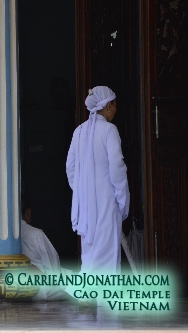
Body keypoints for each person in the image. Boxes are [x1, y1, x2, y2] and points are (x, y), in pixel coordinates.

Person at [66, 86, 130, 277]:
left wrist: (81, 191)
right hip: (107, 202)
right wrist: (121, 199)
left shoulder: (78, 131)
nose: (116, 110)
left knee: (90, 251)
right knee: (108, 253)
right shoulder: (110, 130)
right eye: (115, 106)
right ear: (108, 106)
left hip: (85, 205)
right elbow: (117, 167)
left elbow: (70, 167)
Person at [20, 195, 72, 301]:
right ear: (28, 212)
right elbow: (53, 267)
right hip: (43, 288)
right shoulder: (35, 234)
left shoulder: (5, 237)